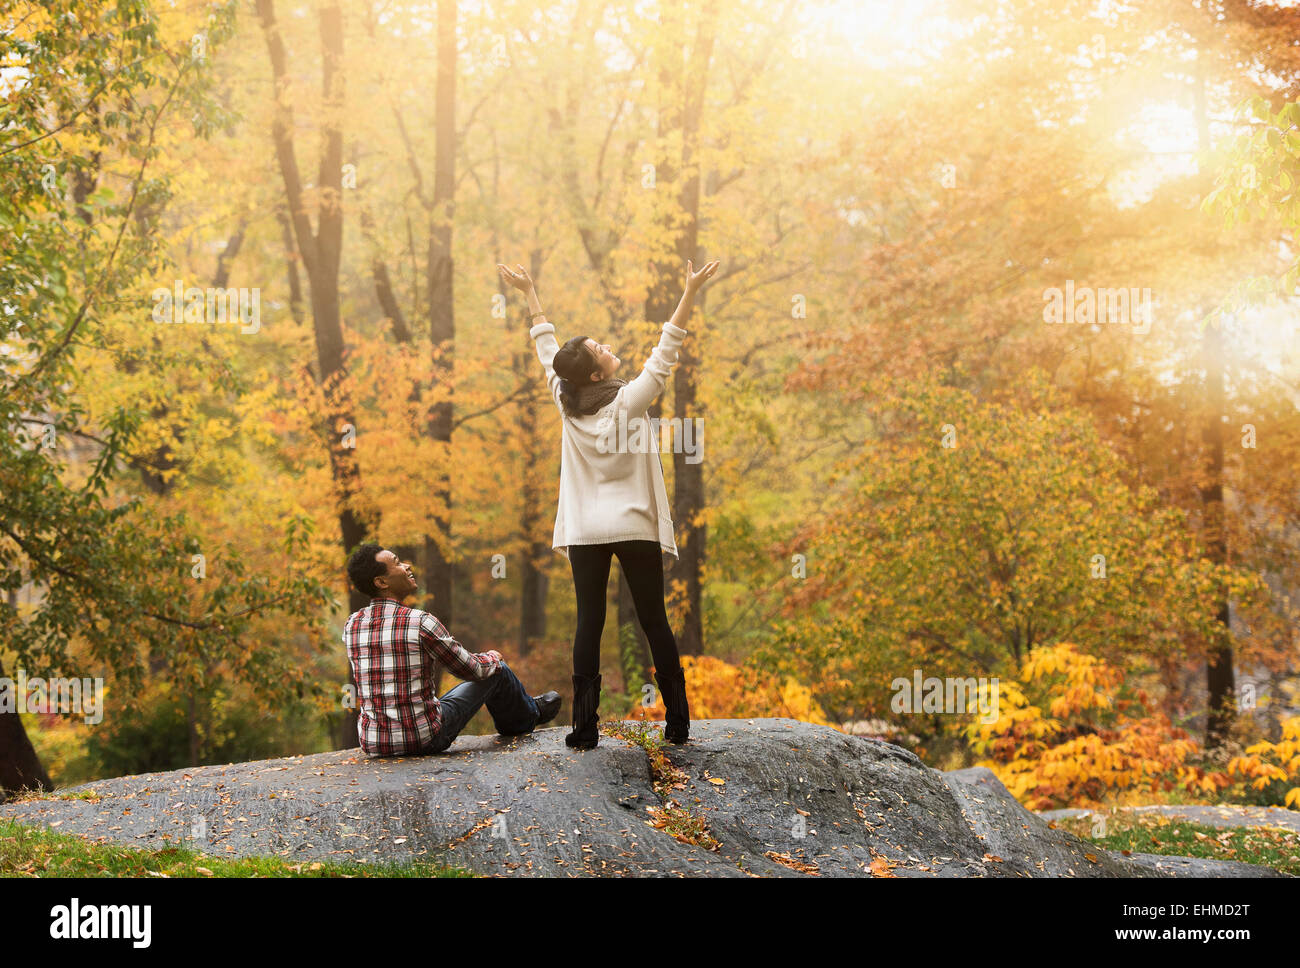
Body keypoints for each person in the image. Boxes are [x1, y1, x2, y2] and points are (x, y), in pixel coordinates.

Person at [497, 258, 720, 749]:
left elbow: (546, 349)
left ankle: (584, 728)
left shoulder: (567, 400)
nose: (609, 347)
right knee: (653, 620)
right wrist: (689, 292)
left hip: (586, 532)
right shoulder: (627, 401)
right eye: (602, 348)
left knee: (588, 622)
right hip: (635, 527)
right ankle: (678, 722)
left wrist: (530, 293)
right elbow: (667, 349)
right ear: (597, 371)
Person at [342, 543, 561, 756]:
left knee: (444, 696)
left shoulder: (351, 625)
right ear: (381, 582)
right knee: (497, 669)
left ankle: (528, 709)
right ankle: (530, 714)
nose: (407, 566)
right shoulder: (420, 622)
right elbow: (472, 670)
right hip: (424, 739)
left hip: (373, 744)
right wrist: (492, 657)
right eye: (398, 563)